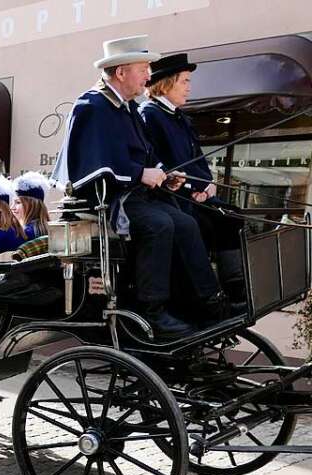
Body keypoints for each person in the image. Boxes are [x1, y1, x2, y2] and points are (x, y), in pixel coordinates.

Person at [52, 35, 232, 336]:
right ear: (121, 72)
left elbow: (145, 154)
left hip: (136, 195)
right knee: (160, 224)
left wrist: (164, 174)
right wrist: (140, 174)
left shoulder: (127, 107)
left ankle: (209, 302)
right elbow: (95, 165)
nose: (149, 75)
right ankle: (153, 311)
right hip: (109, 201)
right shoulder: (93, 105)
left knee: (186, 223)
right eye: (143, 68)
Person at [140, 53, 245, 302]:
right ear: (166, 83)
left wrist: (207, 186)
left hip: (194, 195)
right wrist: (190, 188)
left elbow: (198, 160)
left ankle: (236, 286)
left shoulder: (182, 118)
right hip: (171, 199)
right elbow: (156, 163)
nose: (189, 87)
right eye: (185, 81)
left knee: (232, 216)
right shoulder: (150, 114)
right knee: (206, 225)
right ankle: (209, 294)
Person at [12, 171, 52, 240]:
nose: (12, 207)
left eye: (18, 202)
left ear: (32, 205)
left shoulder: (24, 233)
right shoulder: (50, 229)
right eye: (12, 203)